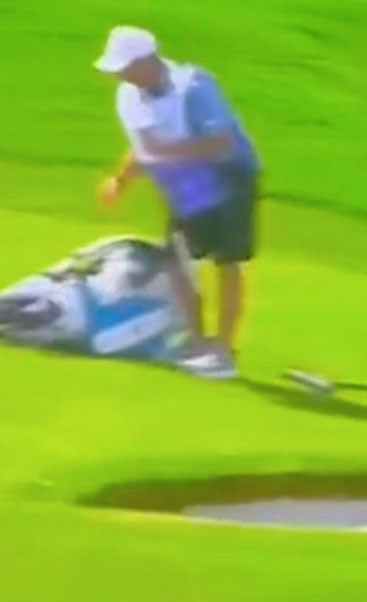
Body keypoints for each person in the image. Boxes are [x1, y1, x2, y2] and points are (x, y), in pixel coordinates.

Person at [94, 26, 263, 380]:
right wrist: (119, 181)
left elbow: (219, 142)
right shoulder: (129, 95)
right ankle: (196, 341)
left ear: (147, 59)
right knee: (178, 257)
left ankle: (223, 351)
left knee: (227, 261)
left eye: (125, 66)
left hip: (230, 174)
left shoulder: (195, 87)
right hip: (191, 179)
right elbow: (144, 149)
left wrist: (167, 155)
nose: (119, 74)